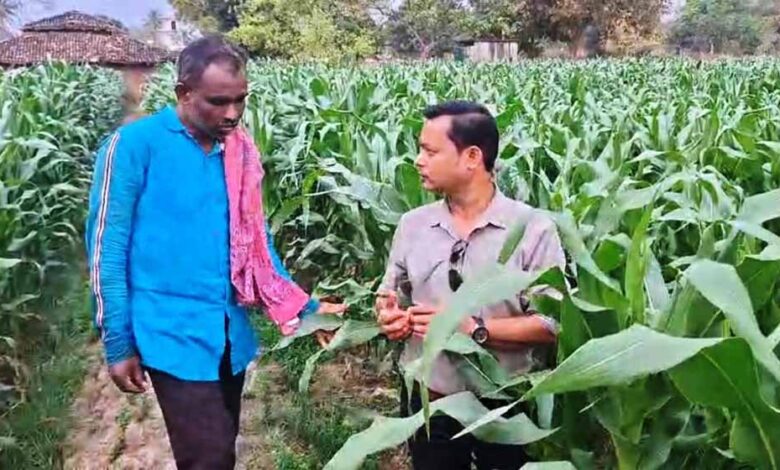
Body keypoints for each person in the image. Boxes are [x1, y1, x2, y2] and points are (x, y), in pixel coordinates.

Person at [85, 35, 343, 469]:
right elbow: (106, 251)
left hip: (229, 334)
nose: (232, 113)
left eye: (241, 100)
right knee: (209, 457)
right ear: (183, 93)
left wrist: (307, 308)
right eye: (218, 101)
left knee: (222, 446)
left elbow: (257, 246)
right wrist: (117, 340)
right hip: (168, 332)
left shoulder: (238, 152)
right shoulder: (132, 146)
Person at [376, 101, 565, 470]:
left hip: (505, 403)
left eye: (430, 151)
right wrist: (389, 317)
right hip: (430, 400)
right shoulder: (413, 225)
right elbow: (389, 297)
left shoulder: (532, 229)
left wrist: (472, 329)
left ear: (472, 157)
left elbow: (552, 324)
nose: (418, 160)